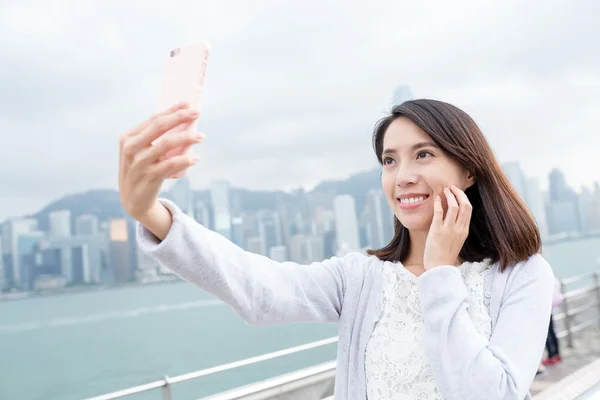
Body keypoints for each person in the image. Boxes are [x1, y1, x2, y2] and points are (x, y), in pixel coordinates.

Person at [119, 99, 555, 400]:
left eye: (423, 155)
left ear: (468, 171)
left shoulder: (521, 275)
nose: (401, 176)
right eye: (389, 160)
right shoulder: (361, 277)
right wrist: (151, 212)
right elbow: (261, 291)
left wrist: (441, 273)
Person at [543, 277, 564, 365]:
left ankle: (551, 356)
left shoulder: (544, 280)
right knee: (552, 331)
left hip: (544, 308)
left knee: (546, 333)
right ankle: (557, 354)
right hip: (551, 308)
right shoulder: (554, 279)